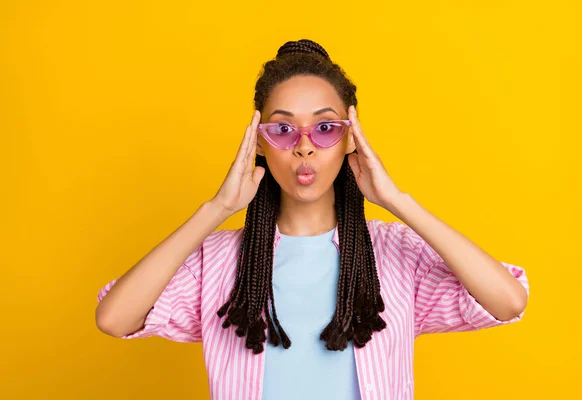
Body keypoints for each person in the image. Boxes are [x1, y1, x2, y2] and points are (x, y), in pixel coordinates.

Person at [95, 39, 530, 400]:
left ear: (350, 139)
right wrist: (216, 209)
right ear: (259, 143)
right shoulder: (222, 263)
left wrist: (396, 200)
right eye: (283, 129)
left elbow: (507, 301)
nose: (304, 147)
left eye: (325, 129)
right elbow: (115, 318)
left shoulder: (394, 255)